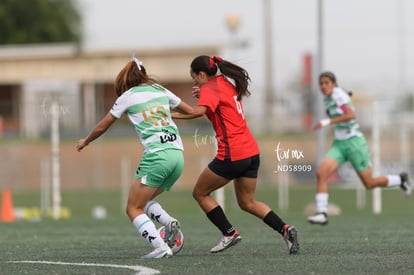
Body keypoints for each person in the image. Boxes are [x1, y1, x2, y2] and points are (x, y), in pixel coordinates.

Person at [172, 55, 299, 254]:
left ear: (202, 74)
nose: (194, 81)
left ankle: (229, 233)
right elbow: (218, 110)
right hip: (251, 151)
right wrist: (203, 95)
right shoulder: (225, 83)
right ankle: (285, 229)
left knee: (200, 193)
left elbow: (197, 112)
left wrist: (171, 115)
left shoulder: (210, 88)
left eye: (194, 77)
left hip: (233, 153)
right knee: (247, 202)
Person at [76, 55, 194, 258]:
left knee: (132, 208)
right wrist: (170, 115)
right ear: (144, 74)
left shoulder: (128, 96)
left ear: (125, 79)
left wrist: (85, 140)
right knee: (143, 201)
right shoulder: (161, 90)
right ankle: (168, 223)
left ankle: (160, 247)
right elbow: (192, 111)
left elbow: (104, 125)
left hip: (157, 157)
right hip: (177, 155)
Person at [307, 71, 412, 225]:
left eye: (326, 83)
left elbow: (350, 115)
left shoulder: (338, 95)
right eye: (321, 83)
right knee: (321, 173)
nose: (323, 86)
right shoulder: (329, 98)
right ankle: (322, 213)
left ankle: (401, 179)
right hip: (339, 144)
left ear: (334, 84)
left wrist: (327, 121)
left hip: (354, 143)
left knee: (369, 183)